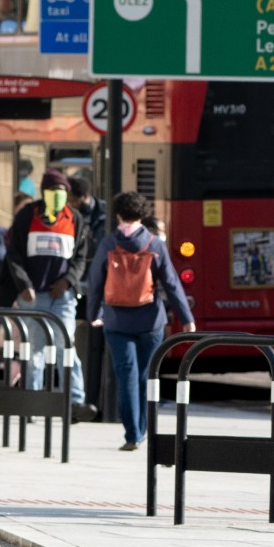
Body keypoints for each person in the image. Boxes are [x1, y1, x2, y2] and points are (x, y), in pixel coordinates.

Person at [86, 193, 193, 451]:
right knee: (146, 376)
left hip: (116, 321)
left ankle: (133, 434)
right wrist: (187, 318)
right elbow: (171, 283)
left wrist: (94, 315)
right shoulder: (154, 245)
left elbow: (95, 283)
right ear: (142, 215)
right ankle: (144, 428)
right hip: (150, 322)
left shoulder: (109, 243)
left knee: (126, 377)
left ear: (118, 215)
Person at [0, 169, 94, 421]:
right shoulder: (25, 217)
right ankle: (32, 402)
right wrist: (24, 285)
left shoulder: (74, 219)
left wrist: (68, 281)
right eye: (53, 192)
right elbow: (14, 255)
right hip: (33, 295)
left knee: (67, 349)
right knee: (35, 351)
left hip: (62, 297)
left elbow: (81, 257)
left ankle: (74, 402)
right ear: (43, 192)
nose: (58, 196)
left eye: (62, 192)